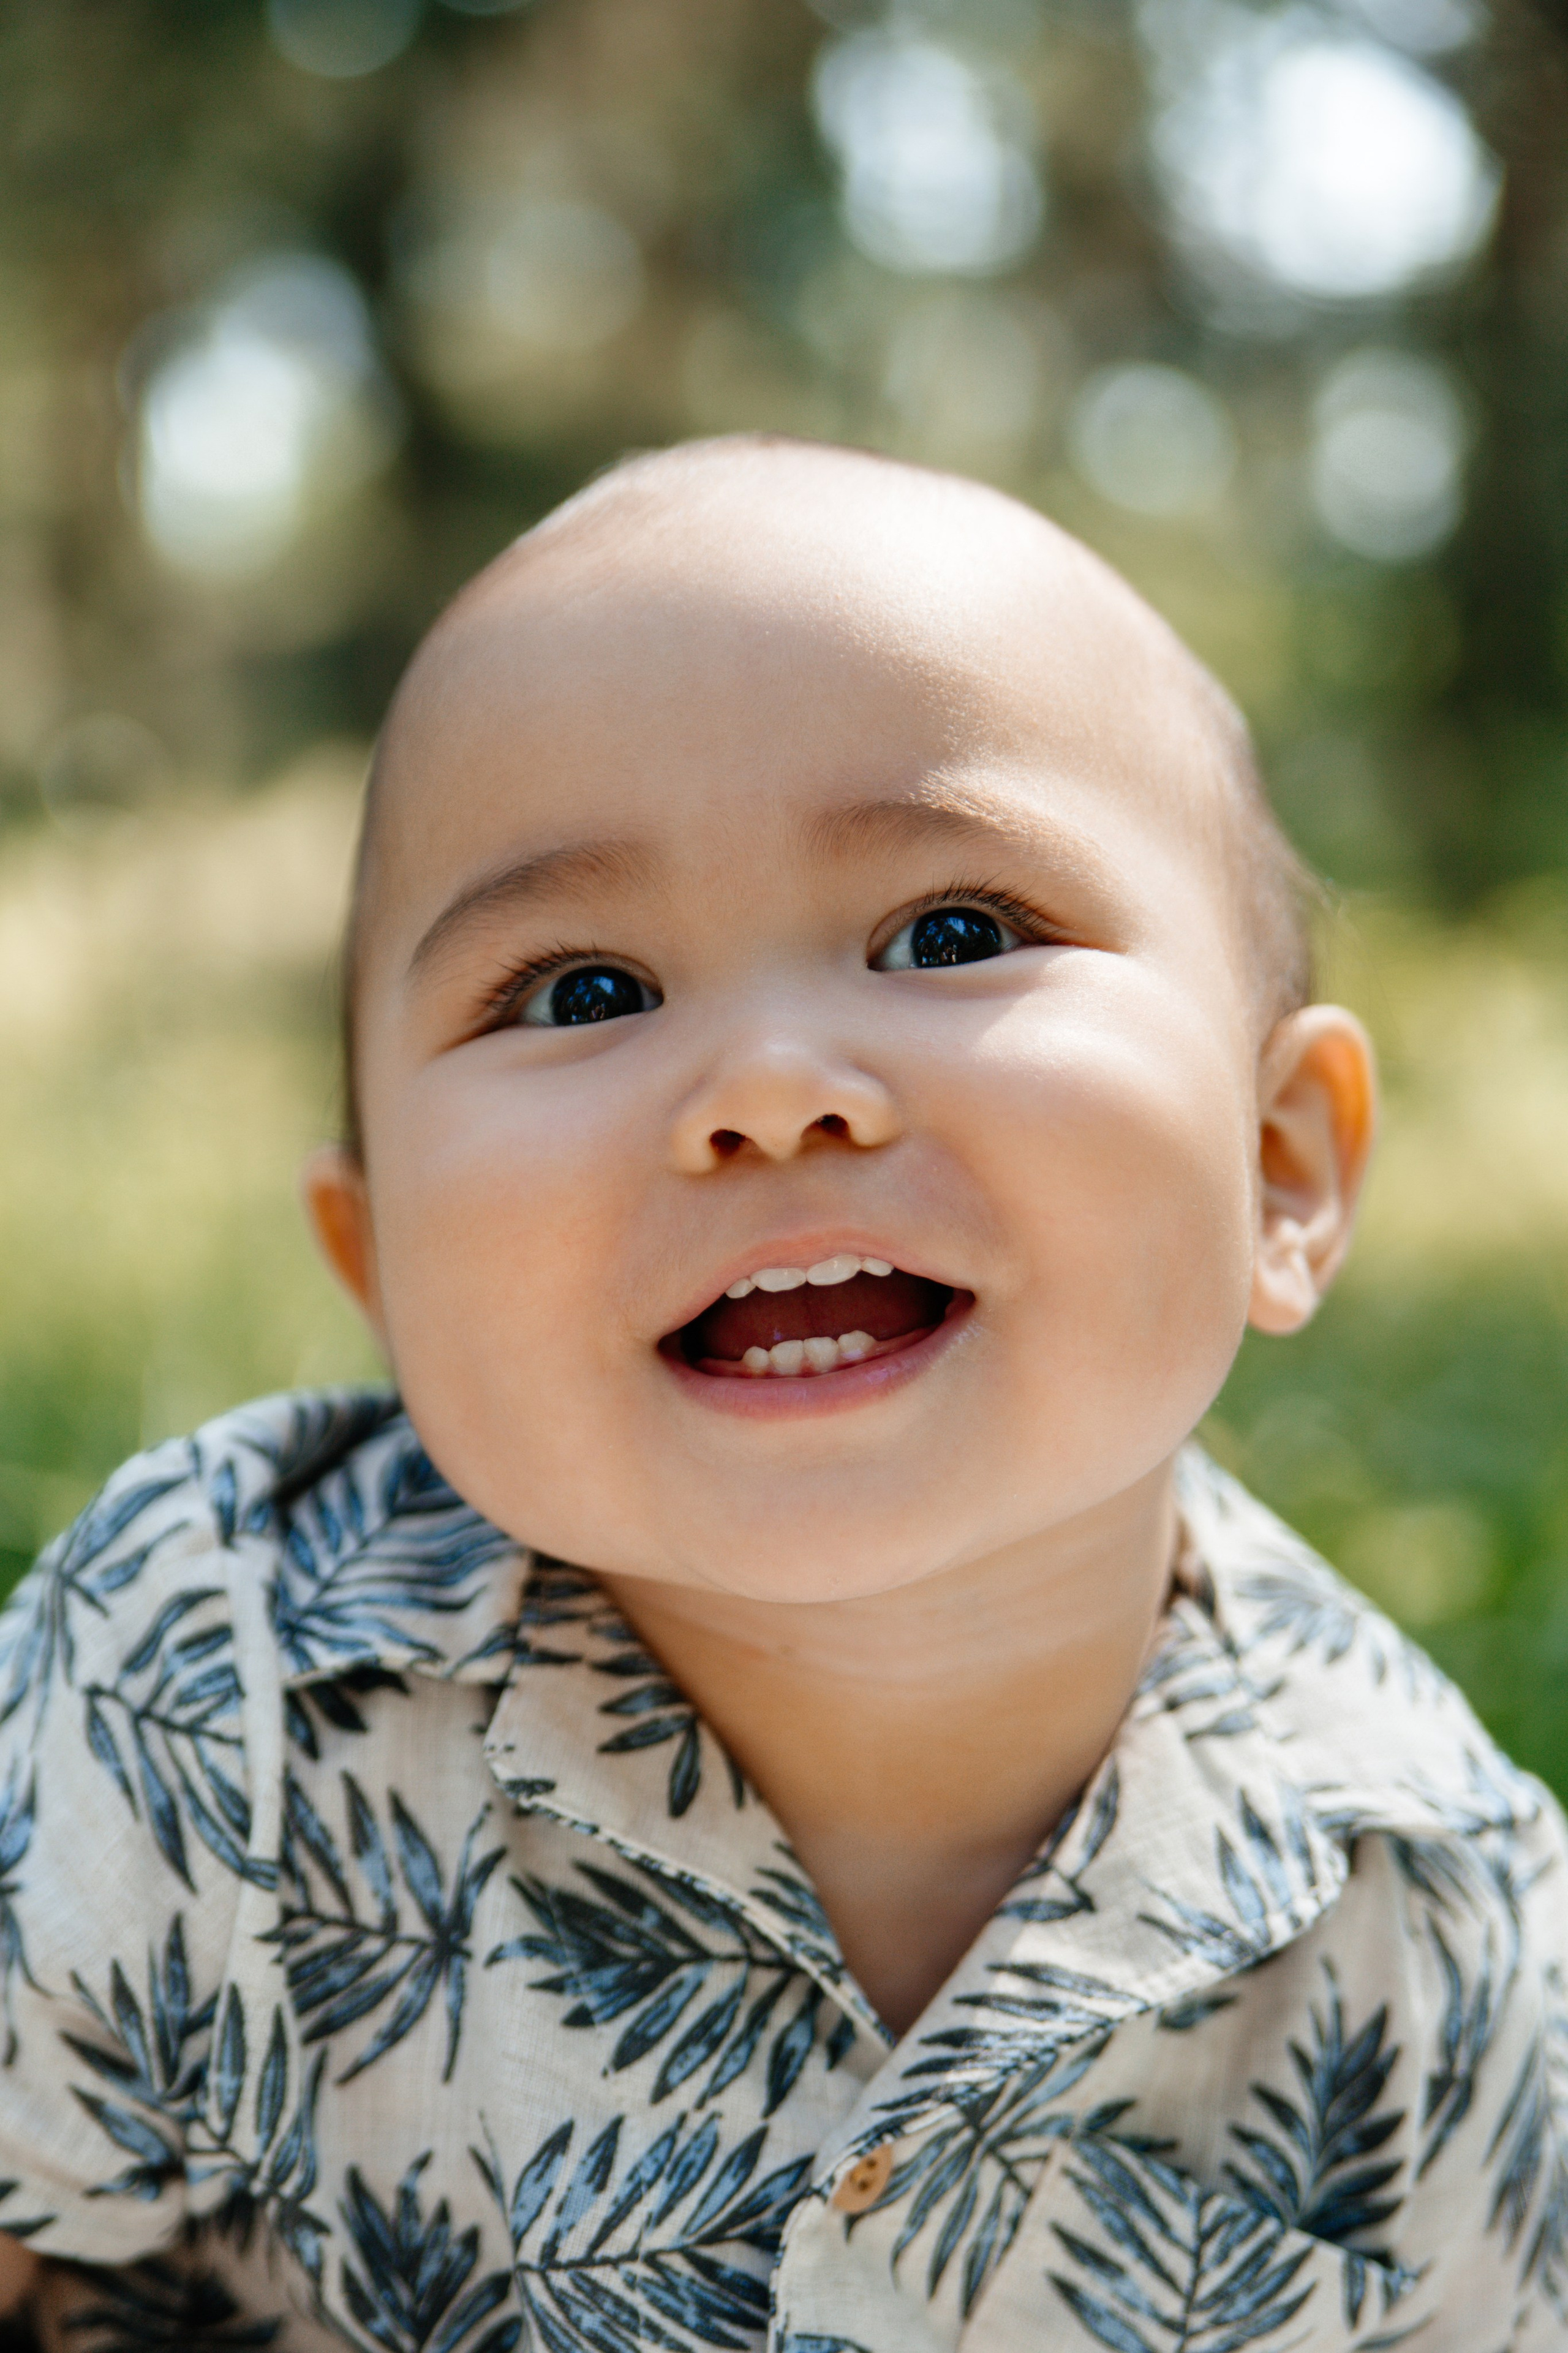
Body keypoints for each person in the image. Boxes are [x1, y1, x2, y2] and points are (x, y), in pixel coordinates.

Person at [0, 436, 1561, 2352]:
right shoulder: (207, 1677)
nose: (767, 1084)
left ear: (1281, 1165)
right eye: (581, 990)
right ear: (387, 1273)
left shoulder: (1439, 1915)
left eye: (956, 932)